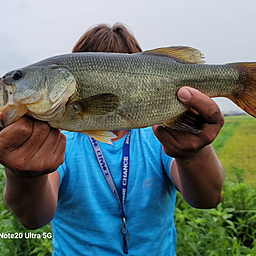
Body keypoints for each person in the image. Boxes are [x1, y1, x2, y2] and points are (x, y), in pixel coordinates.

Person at [0, 23, 225, 256]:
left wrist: (194, 153)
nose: (12, 81)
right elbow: (34, 218)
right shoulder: (55, 142)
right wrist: (24, 176)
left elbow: (208, 199)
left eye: (18, 77)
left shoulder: (163, 135)